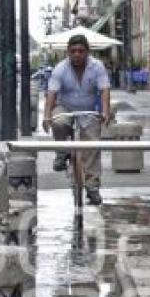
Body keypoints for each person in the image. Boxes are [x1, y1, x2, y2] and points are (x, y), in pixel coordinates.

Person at [42, 34, 111, 205]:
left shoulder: (97, 67)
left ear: (87, 52)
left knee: (93, 145)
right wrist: (46, 116)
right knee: (59, 122)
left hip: (88, 110)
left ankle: (92, 187)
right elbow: (52, 94)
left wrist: (106, 111)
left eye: (81, 51)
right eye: (73, 51)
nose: (77, 54)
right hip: (64, 106)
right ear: (68, 52)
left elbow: (104, 91)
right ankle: (61, 152)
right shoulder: (60, 69)